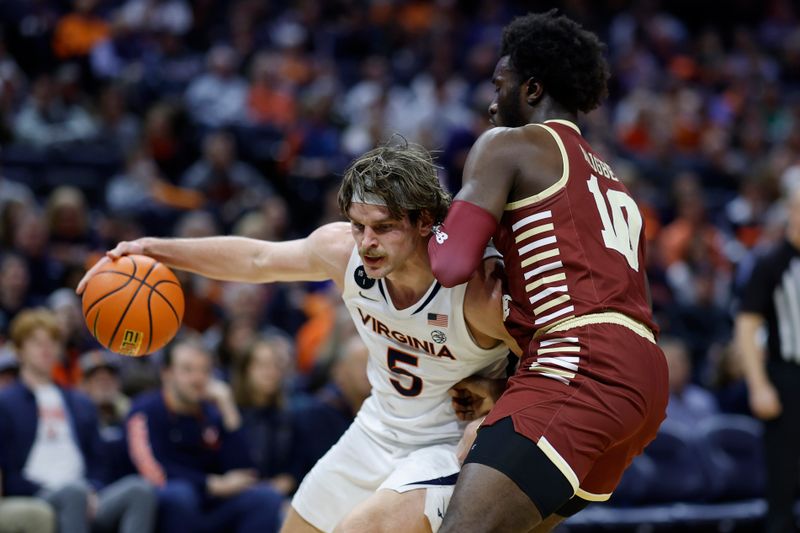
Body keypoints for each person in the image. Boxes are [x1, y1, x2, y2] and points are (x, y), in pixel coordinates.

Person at [78, 141, 513, 533]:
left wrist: (497, 389)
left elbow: (557, 360)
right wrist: (153, 249)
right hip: (376, 429)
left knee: (362, 529)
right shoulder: (344, 253)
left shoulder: (473, 293)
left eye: (382, 227)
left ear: (423, 221)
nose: (366, 243)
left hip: (446, 446)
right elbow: (257, 258)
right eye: (358, 226)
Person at [428, 11, 669, 532]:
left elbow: (448, 263)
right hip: (645, 376)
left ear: (532, 88)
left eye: (501, 85)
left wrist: (428, 226)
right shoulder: (612, 182)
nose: (491, 102)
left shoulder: (509, 144)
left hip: (581, 362)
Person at [0, 308, 156, 533]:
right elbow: (9, 472)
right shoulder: (6, 402)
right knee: (73, 493)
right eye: (36, 342)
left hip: (86, 493)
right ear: (19, 350)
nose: (46, 349)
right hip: (39, 495)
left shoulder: (80, 401)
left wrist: (92, 490)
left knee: (140, 490)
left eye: (52, 342)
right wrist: (72, 491)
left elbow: (98, 461)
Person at [126, 337, 284, 533]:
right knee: (179, 495)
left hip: (209, 506)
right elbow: (153, 472)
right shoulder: (144, 410)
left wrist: (228, 408)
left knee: (266, 497)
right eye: (188, 370)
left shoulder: (211, 412)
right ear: (166, 374)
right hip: (168, 505)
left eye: (204, 371)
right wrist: (211, 484)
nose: (197, 378)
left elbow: (246, 472)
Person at [735, 187, 800, 533]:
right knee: (783, 487)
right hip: (786, 381)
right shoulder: (771, 263)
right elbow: (746, 326)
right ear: (791, 212)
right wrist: (758, 385)